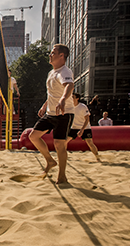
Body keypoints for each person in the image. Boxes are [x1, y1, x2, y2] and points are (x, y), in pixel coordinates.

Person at [28, 44, 74, 184]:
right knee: (33, 136)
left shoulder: (65, 72)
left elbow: (69, 86)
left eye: (53, 53)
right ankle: (49, 160)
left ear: (61, 56)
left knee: (59, 144)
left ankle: (62, 176)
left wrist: (62, 99)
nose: (50, 54)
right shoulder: (51, 72)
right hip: (51, 113)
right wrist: (45, 105)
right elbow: (52, 93)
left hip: (64, 114)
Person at [67, 93, 101, 162]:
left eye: (73, 97)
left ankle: (97, 157)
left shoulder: (82, 107)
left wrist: (82, 130)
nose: (71, 98)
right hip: (74, 127)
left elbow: (87, 119)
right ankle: (64, 156)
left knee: (90, 143)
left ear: (77, 98)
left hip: (85, 127)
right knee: (64, 142)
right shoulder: (69, 107)